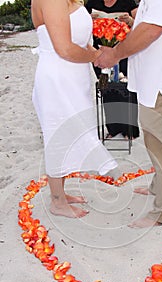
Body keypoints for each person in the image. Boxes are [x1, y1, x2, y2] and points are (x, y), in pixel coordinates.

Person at [95, 0, 162, 228]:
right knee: (154, 141)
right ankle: (158, 187)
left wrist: (115, 54)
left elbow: (154, 28)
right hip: (153, 79)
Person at [31, 0, 118, 219]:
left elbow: (80, 42)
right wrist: (96, 57)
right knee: (57, 135)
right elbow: (65, 49)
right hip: (57, 78)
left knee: (70, 133)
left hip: (74, 77)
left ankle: (61, 192)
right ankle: (57, 202)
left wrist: (98, 54)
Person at [85, 0, 140, 139]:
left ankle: (130, 130)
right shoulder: (92, 2)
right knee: (106, 89)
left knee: (127, 90)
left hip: (122, 52)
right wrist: (87, 20)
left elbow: (140, 25)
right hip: (100, 54)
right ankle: (113, 129)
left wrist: (130, 21)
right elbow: (79, 25)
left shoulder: (127, 2)